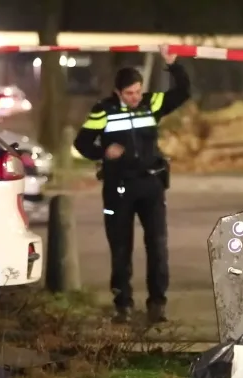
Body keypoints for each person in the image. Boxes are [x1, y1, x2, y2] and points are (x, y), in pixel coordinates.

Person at [73, 46, 191, 324]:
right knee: (120, 248)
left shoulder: (151, 103)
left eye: (138, 91)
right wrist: (103, 152)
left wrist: (173, 64)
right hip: (119, 188)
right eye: (129, 93)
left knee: (158, 246)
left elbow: (183, 92)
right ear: (118, 92)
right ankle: (123, 305)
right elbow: (81, 143)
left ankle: (157, 304)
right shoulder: (103, 111)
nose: (135, 97)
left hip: (151, 184)